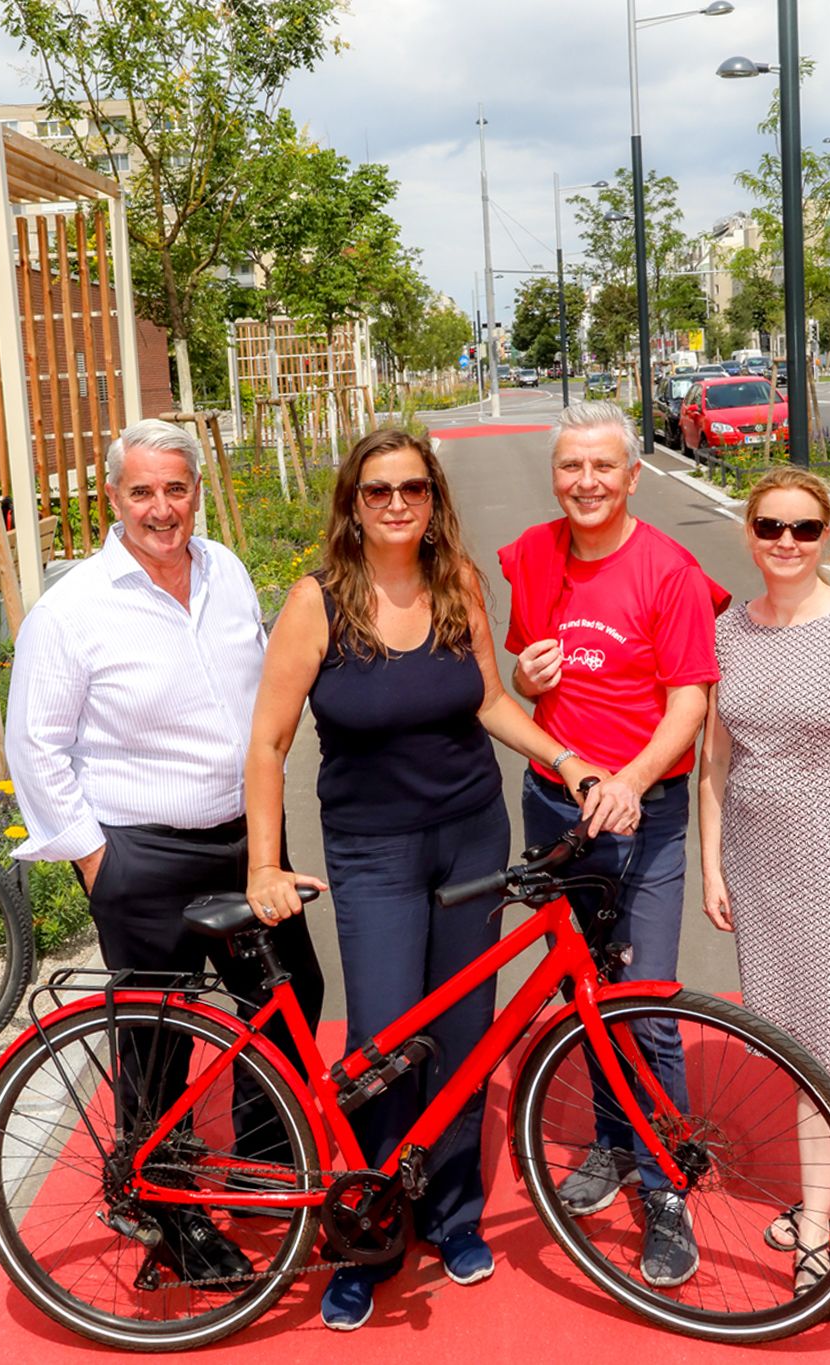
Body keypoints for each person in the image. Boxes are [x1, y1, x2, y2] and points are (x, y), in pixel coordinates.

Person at [245, 429, 622, 1329]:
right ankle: (369, 1231)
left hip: (468, 838)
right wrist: (264, 859)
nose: (395, 504)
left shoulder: (456, 581)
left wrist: (567, 760)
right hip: (372, 849)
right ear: (351, 501)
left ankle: (450, 1213)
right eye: (376, 490)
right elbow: (266, 742)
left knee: (462, 1033)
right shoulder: (317, 602)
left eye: (411, 487)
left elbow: (489, 697)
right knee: (379, 1042)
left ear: (432, 496)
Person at [6, 417, 328, 1290]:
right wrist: (92, 860)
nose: (161, 508)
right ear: (112, 498)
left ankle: (268, 1176)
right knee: (157, 1040)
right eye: (141, 491)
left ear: (194, 491)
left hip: (245, 841)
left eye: (175, 488)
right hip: (139, 854)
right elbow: (33, 745)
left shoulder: (224, 570)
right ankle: (169, 1214)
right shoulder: (71, 609)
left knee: (290, 997)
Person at [500, 402, 728, 1289]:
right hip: (556, 805)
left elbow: (688, 703)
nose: (585, 483)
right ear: (553, 474)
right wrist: (523, 675)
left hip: (647, 812)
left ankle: (665, 1179)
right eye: (569, 467)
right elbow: (525, 663)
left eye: (602, 467)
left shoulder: (665, 570)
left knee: (645, 999)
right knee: (583, 985)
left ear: (633, 476)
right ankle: (607, 1139)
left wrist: (630, 780)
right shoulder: (528, 553)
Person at [697, 467, 830, 1296]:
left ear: (827, 536)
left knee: (829, 1055)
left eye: (803, 529)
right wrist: (714, 862)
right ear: (748, 532)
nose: (784, 542)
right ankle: (824, 1191)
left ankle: (817, 1227)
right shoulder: (728, 631)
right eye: (769, 527)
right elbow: (714, 762)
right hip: (760, 868)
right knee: (790, 1048)